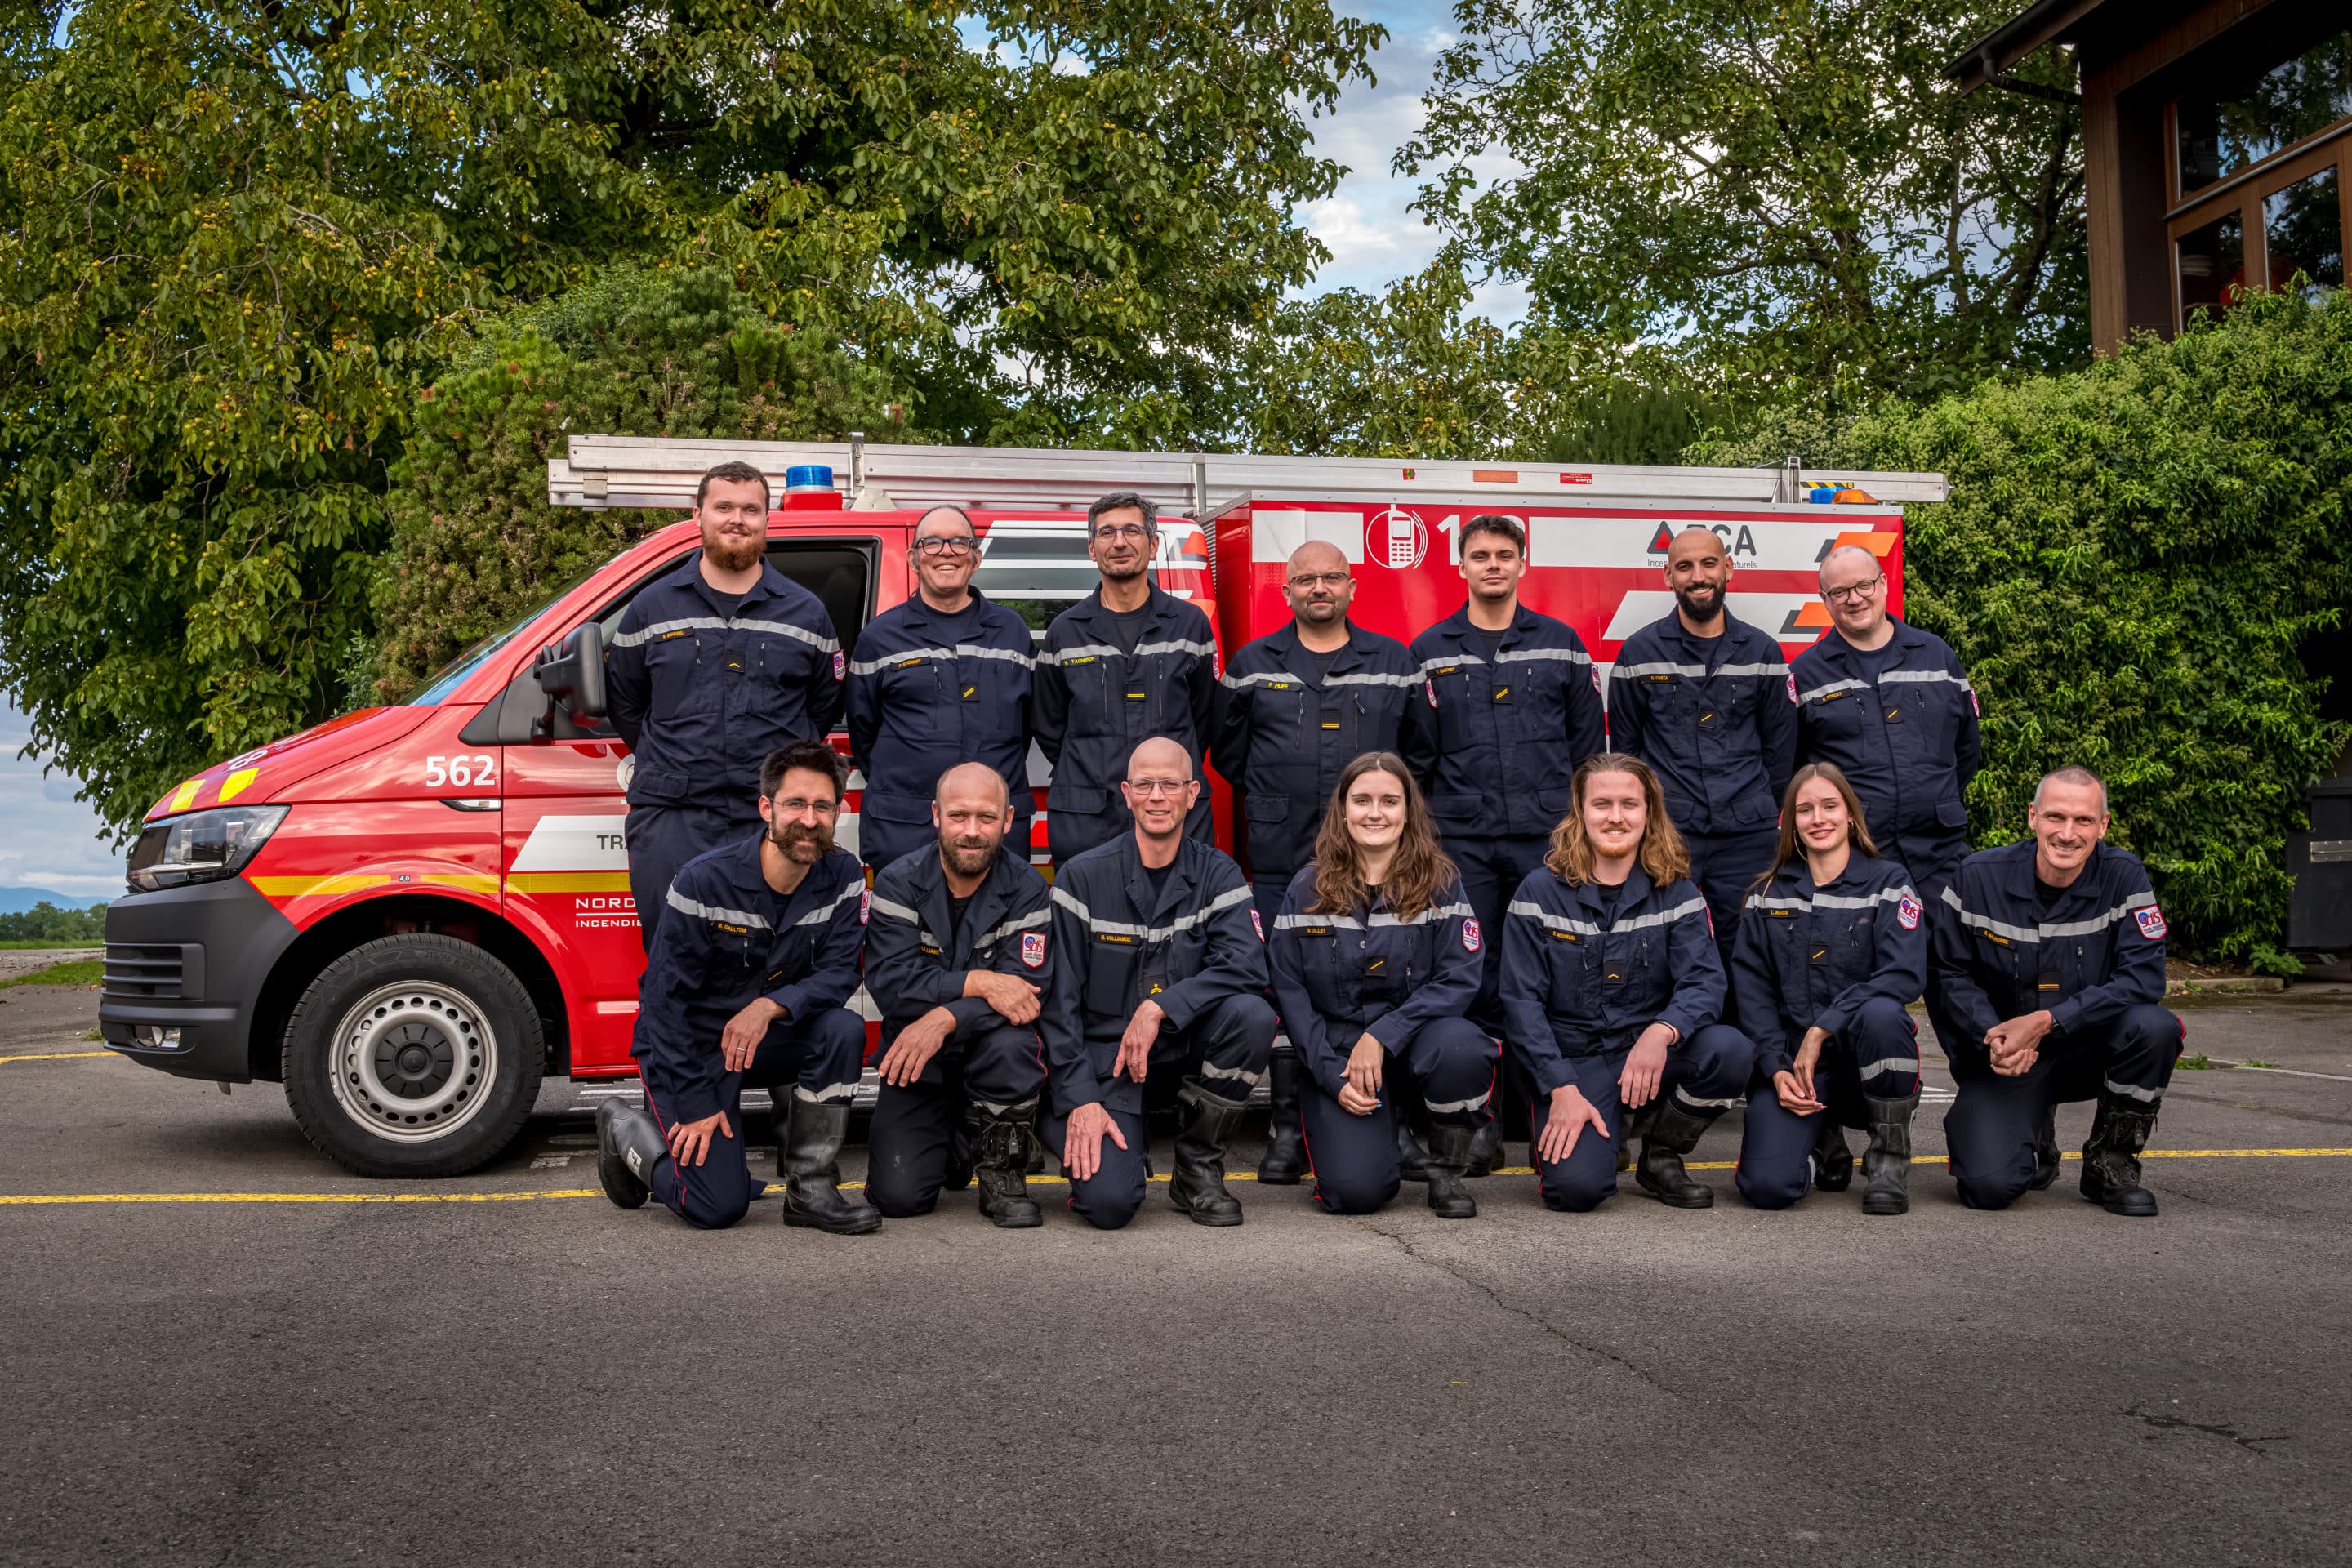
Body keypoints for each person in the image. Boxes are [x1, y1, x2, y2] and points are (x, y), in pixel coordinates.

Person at [594, 739, 880, 1235]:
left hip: (764, 1039)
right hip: (692, 1049)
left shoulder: (845, 876)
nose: (809, 819)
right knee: (716, 1207)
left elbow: (839, 974)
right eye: (795, 804)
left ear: (839, 812)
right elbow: (663, 1003)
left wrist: (770, 1007)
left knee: (842, 1030)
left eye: (823, 806)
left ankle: (810, 1189)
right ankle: (625, 1131)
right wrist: (696, 1104)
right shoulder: (703, 881)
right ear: (766, 808)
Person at [1403, 511, 1606, 1177]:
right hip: (1464, 842)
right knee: (1476, 977)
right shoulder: (1430, 650)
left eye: (1503, 554)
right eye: (1480, 555)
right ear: (1460, 566)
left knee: (1557, 975)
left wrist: (1578, 831)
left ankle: (1548, 1108)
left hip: (1549, 843)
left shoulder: (1561, 644)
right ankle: (1481, 1122)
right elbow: (1418, 757)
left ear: (1522, 564)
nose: (1492, 565)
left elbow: (1588, 751)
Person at [1213, 539, 1417, 1185]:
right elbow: (1229, 752)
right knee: (1285, 989)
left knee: (1385, 983)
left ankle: (1396, 1121)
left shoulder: (1393, 662)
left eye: (1331, 577)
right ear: (1287, 591)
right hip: (1282, 857)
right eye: (1306, 580)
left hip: (1378, 865)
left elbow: (1419, 755)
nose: (1319, 588)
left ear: (1352, 586)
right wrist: (1278, 795)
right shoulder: (1252, 664)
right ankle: (1287, 1129)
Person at [1789, 543, 1981, 1190]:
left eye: (1863, 585)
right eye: (1838, 591)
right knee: (1849, 988)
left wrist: (1931, 803)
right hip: (1861, 862)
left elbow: (1967, 749)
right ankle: (1837, 1133)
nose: (1854, 599)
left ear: (1882, 585)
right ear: (1824, 600)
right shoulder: (1808, 672)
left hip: (1938, 856)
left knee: (1957, 988)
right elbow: (1800, 769)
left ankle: (1998, 1106)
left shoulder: (1937, 656)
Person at [1500, 753, 1757, 1212]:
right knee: (1576, 1192)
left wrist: (1662, 1032)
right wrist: (1560, 1087)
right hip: (1576, 1062)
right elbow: (1521, 1003)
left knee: (1729, 1051)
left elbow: (1704, 982)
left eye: (1629, 804)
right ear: (1580, 812)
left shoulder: (1678, 890)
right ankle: (1591, 1130)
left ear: (1648, 813)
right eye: (1602, 804)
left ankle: (1661, 1154)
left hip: (1648, 1052)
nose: (1615, 817)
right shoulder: (1537, 892)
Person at [1040, 737, 1279, 1229]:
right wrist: (1081, 1098)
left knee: (1252, 1016)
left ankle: (1196, 1168)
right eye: (1145, 784)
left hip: (1182, 1051)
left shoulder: (1218, 873)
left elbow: (1248, 965)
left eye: (1169, 784)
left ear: (1192, 794)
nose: (1156, 796)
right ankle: (1101, 1139)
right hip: (1108, 1065)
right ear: (1126, 793)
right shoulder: (1081, 878)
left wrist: (1160, 1007)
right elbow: (1057, 1005)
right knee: (1109, 1206)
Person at [607, 461, 844, 946]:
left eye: (751, 510)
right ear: (698, 515)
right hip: (672, 815)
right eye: (724, 507)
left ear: (767, 520)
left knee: (770, 957)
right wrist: (674, 760)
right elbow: (625, 704)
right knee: (674, 955)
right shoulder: (652, 606)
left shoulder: (806, 612)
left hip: (770, 818)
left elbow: (822, 708)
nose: (737, 519)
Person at [1934, 766, 2180, 1216]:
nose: (2067, 834)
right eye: (2055, 817)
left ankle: (2110, 1162)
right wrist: (1992, 1036)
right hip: (2008, 1056)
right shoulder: (1976, 878)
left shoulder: (2124, 876)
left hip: (2088, 1049)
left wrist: (2049, 1021)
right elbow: (1948, 972)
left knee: (2154, 1027)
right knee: (1987, 1188)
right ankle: (2036, 1137)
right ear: (2033, 817)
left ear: (2103, 825)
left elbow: (2143, 978)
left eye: (2084, 820)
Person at [1266, 753, 1494, 1219]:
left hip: (1416, 1046)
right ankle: (1374, 1140)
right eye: (1362, 800)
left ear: (1408, 812)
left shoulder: (1441, 884)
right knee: (1356, 1194)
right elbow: (1290, 993)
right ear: (1342, 810)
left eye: (1390, 801)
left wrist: (1383, 1035)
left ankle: (1446, 1174)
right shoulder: (1306, 889)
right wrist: (1328, 1074)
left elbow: (1460, 977)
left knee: (1463, 1046)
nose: (1375, 813)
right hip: (1341, 1059)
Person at [862, 762, 1054, 1228]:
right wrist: (980, 982)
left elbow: (1025, 995)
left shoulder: (1028, 888)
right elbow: (890, 983)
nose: (971, 831)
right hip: (918, 1059)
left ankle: (1002, 1172)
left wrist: (943, 1017)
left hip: (988, 1052)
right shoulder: (897, 882)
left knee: (1013, 1042)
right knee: (898, 1199)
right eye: (958, 816)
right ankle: (955, 1136)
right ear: (936, 815)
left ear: (1008, 820)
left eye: (986, 817)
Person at [1730, 764, 1927, 1214]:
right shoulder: (1766, 895)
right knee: (1767, 1188)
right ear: (1791, 822)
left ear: (1851, 815)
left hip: (1862, 1065)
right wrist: (1775, 1069)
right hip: (1796, 1070)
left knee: (1883, 1015)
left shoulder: (1889, 884)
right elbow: (1753, 993)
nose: (1818, 818)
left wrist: (1824, 1028)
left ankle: (1888, 1161)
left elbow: (1904, 974)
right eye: (1805, 809)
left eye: (1829, 806)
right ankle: (1823, 1144)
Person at [1606, 528, 1795, 988]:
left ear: (1728, 568)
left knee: (1750, 955)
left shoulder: (1763, 652)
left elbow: (1781, 749)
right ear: (1667, 576)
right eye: (1685, 567)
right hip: (1670, 833)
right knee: (1661, 949)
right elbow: (1627, 757)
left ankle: (1745, 1037)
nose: (1698, 576)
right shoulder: (1639, 653)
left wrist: (1759, 808)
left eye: (1709, 564)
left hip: (1747, 836)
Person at [845, 505, 1036, 871]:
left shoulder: (1013, 632)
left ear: (976, 558)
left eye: (959, 542)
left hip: (994, 833)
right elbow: (863, 731)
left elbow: (1027, 725)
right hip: (904, 831)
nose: (946, 552)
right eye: (931, 543)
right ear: (913, 559)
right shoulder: (879, 638)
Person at [1034, 492, 1220, 865]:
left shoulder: (1190, 625)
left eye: (1132, 531)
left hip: (1173, 816)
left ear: (1153, 545)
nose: (1119, 542)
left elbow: (1206, 718)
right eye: (1106, 533)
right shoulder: (1065, 631)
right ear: (1092, 549)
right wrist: (1093, 762)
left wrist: (1166, 770)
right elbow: (1048, 724)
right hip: (1087, 819)